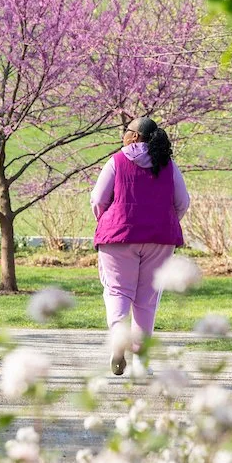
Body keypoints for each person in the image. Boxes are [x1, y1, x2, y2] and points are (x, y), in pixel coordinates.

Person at [90, 116, 190, 375]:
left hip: (118, 237)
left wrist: (107, 220)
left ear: (135, 136)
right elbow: (183, 202)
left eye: (127, 131)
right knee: (147, 299)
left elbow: (98, 199)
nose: (123, 134)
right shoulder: (167, 165)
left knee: (117, 291)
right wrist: (164, 221)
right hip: (160, 238)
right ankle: (142, 362)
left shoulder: (117, 160)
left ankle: (118, 340)